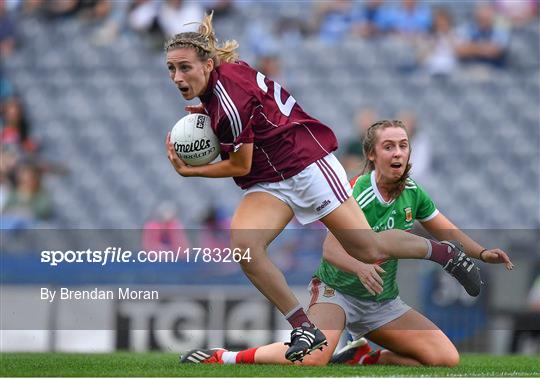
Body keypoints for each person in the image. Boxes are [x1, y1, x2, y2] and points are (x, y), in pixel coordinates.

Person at [164, 13, 483, 362]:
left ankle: (445, 254)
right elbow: (243, 114)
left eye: (184, 67)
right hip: (271, 177)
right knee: (245, 247)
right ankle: (303, 326)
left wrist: (192, 172)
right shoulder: (223, 83)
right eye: (171, 69)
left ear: (208, 64)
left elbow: (239, 162)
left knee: (369, 248)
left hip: (306, 164)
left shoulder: (228, 100)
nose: (177, 77)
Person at [179, 120, 513, 366]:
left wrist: (482, 252)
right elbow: (330, 248)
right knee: (311, 360)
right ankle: (225, 357)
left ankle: (363, 357)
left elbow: (447, 229)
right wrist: (359, 265)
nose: (398, 152)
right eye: (388, 146)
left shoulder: (414, 192)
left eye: (403, 145)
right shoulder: (354, 192)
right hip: (336, 293)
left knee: (445, 360)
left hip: (382, 303)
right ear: (372, 154)